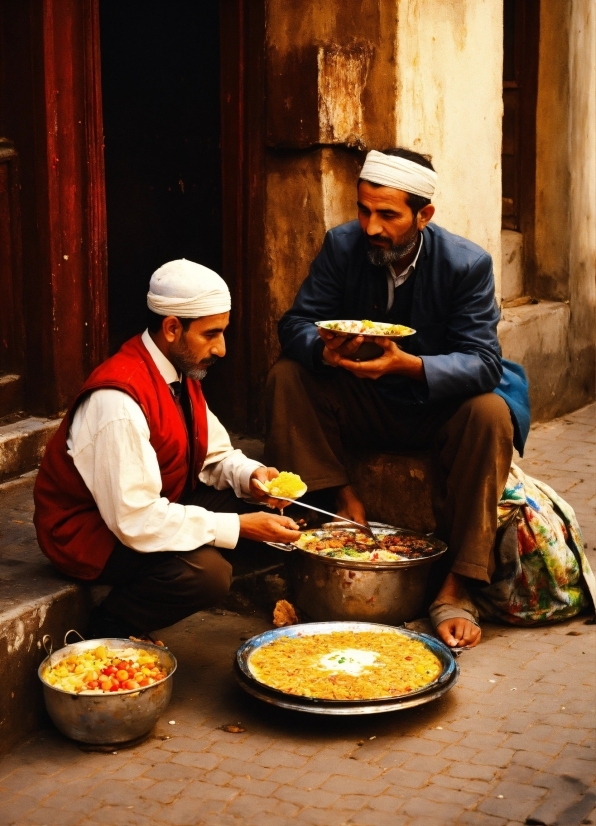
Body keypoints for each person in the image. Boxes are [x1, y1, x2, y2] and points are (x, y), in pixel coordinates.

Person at [264, 147, 531, 649]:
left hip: (432, 405)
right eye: (364, 210)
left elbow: (483, 361)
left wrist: (408, 364)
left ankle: (458, 584)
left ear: (423, 216)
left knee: (491, 411)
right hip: (364, 398)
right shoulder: (343, 246)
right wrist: (327, 353)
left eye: (387, 215)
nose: (371, 227)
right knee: (286, 377)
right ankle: (344, 502)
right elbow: (295, 323)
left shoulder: (467, 264)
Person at [34, 259, 301, 639]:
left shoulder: (179, 371)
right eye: (211, 334)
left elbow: (214, 454)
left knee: (293, 518)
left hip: (155, 505)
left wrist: (252, 477)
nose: (222, 349)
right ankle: (110, 625)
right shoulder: (117, 401)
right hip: (91, 534)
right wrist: (239, 527)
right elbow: (135, 520)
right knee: (207, 575)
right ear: (172, 328)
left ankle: (166, 575)